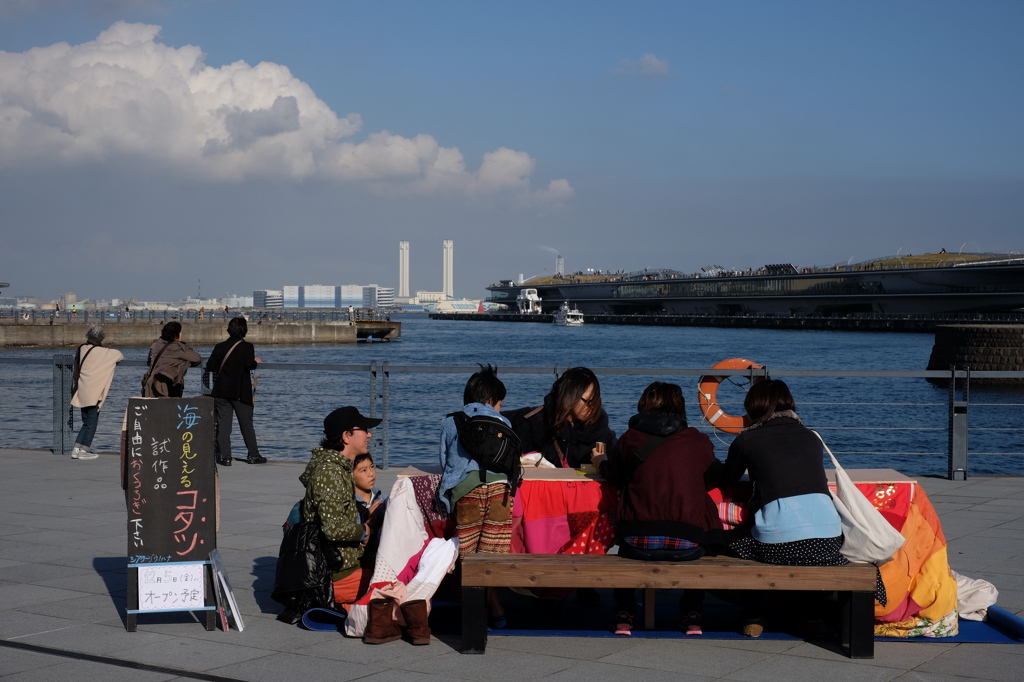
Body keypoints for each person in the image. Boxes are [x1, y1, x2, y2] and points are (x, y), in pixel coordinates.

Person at [709, 378, 850, 637]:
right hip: (829, 539)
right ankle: (809, 615)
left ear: (754, 407)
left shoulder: (747, 440)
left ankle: (754, 614)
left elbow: (726, 477)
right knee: (798, 548)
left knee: (730, 545)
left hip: (778, 543)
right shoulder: (812, 437)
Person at [592, 382, 723, 636]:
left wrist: (600, 461)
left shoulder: (630, 439)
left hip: (636, 541)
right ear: (680, 407)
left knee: (624, 531)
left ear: (644, 405)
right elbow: (715, 475)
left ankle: (624, 613)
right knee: (699, 522)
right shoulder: (698, 440)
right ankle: (692, 614)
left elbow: (614, 475)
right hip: (688, 545)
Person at [438, 364, 513, 627]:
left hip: (466, 493)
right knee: (492, 555)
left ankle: (473, 616)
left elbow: (446, 463)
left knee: (468, 556)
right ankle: (495, 607)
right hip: (500, 494)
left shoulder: (450, 421)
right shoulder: (504, 422)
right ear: (492, 401)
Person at [300, 406, 380, 614]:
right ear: (347, 436)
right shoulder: (329, 472)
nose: (369, 434)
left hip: (344, 565)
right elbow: (333, 529)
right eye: (364, 429)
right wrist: (363, 530)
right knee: (399, 585)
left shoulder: (340, 467)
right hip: (336, 573)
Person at [506, 366, 616, 469]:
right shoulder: (535, 423)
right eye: (588, 401)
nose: (592, 407)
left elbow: (618, 465)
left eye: (595, 402)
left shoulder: (600, 431)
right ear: (571, 396)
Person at [206, 317, 266, 465]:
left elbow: (211, 366)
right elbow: (248, 365)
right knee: (246, 425)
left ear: (229, 329)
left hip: (221, 391)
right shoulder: (247, 347)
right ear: (244, 330)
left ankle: (225, 457)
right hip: (240, 392)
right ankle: (253, 455)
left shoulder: (219, 346)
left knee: (224, 426)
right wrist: (255, 363)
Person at [69, 324, 124, 460]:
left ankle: (76, 449)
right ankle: (85, 450)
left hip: (82, 390)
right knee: (92, 423)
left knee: (86, 422)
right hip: (94, 393)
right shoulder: (103, 352)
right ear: (101, 338)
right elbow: (119, 355)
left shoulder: (82, 348)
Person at [353, 452, 386, 594]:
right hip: (365, 562)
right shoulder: (350, 505)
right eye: (363, 470)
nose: (371, 474)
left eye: (372, 467)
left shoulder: (383, 499)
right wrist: (369, 522)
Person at [143, 321, 201, 398]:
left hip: (150, 383)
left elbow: (150, 359)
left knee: (152, 408)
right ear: (177, 334)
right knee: (169, 408)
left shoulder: (156, 344)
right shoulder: (177, 347)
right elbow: (196, 358)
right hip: (167, 385)